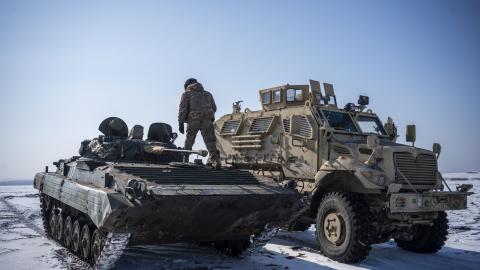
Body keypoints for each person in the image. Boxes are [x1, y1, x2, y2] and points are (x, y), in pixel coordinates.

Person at [178, 78, 221, 169]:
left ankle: (185, 159)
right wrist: (209, 116)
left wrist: (180, 122)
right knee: (210, 142)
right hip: (207, 120)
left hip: (193, 120)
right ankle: (216, 161)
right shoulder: (208, 94)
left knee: (189, 140)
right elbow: (214, 108)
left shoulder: (186, 94)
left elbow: (183, 108)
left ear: (187, 85)